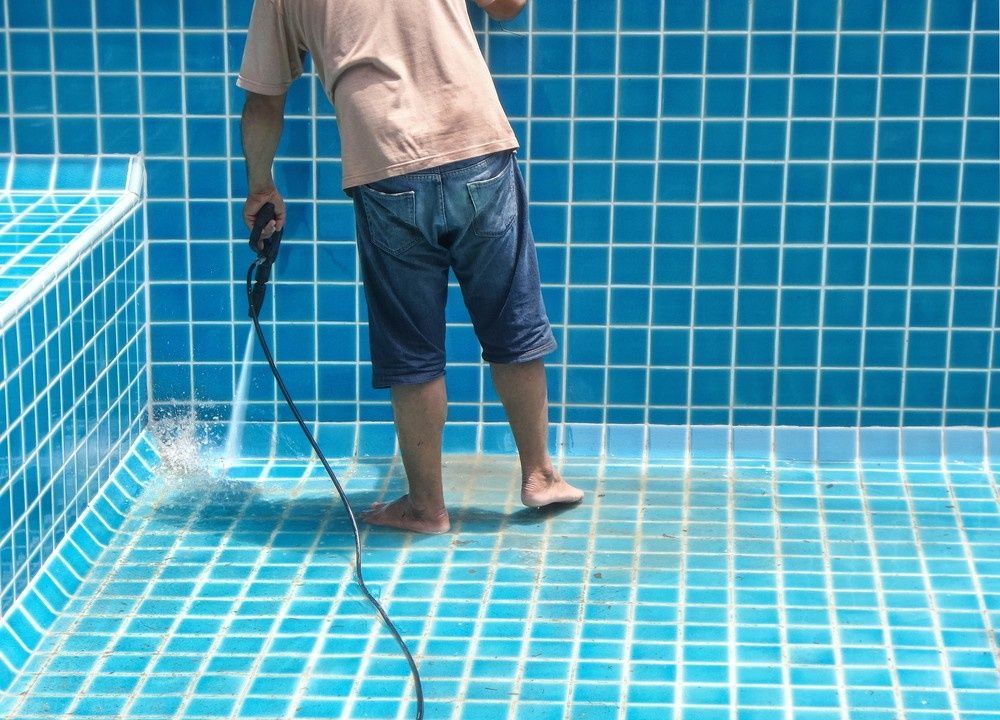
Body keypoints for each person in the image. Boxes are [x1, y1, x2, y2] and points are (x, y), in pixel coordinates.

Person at [237, 0, 583, 534]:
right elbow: (508, 7)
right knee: (512, 314)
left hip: (385, 161)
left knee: (412, 343)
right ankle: (540, 475)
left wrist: (261, 185)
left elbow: (264, 99)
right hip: (475, 141)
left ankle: (427, 507)